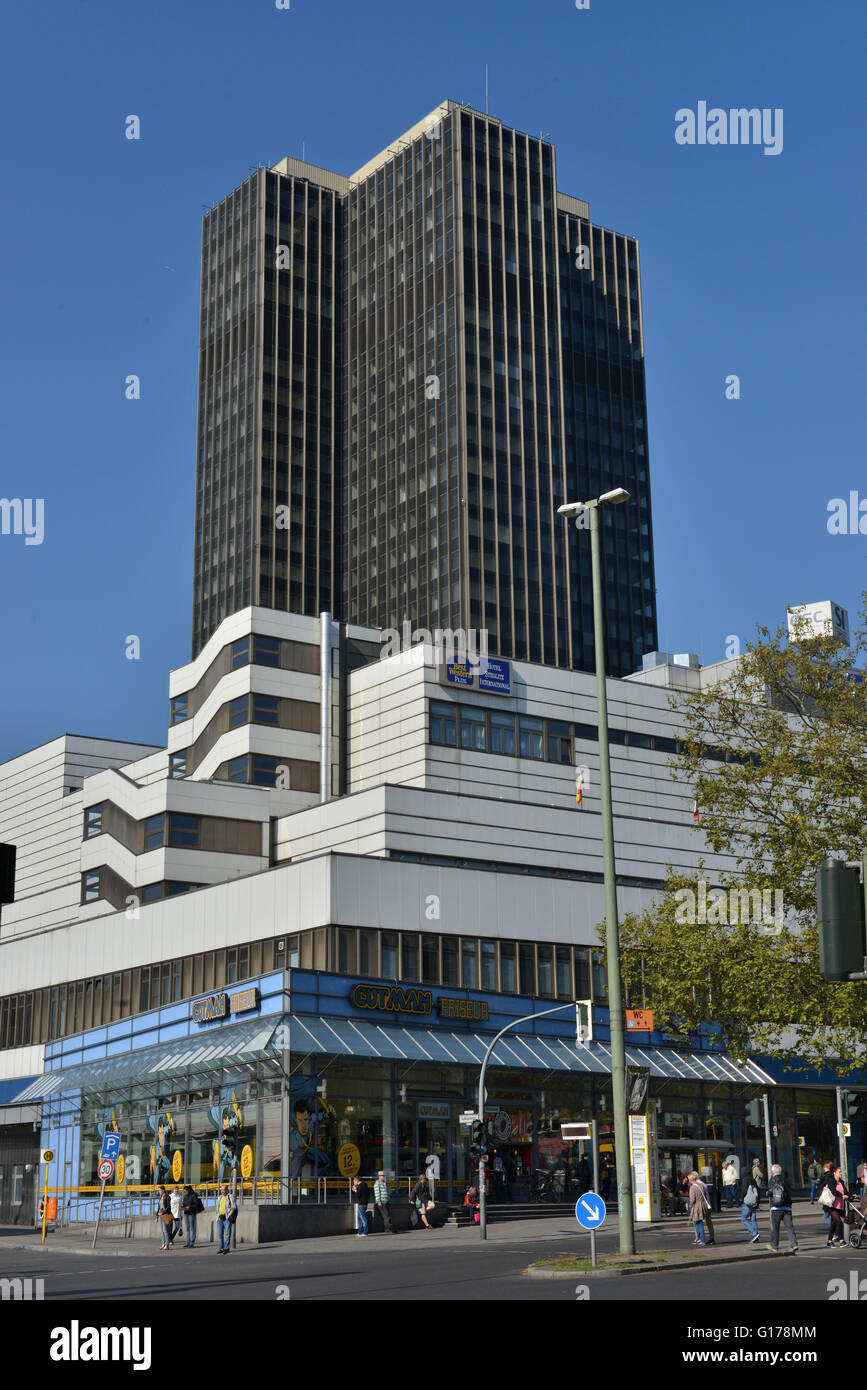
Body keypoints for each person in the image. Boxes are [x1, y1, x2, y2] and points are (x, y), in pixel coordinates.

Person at [765, 1163, 798, 1254]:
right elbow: (789, 1193)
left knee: (775, 1227)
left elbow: (771, 1192)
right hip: (787, 1208)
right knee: (790, 1227)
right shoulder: (786, 1180)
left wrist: (768, 1193)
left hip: (776, 1208)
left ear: (772, 1172)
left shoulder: (772, 1180)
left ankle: (774, 1246)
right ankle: (794, 1244)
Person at [820, 1163, 849, 1247]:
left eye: (841, 1172)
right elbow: (833, 1191)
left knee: (833, 1224)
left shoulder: (841, 1182)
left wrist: (851, 1195)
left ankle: (829, 1241)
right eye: (839, 1172)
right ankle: (841, 1241)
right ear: (834, 1173)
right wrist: (841, 1195)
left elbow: (846, 1192)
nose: (841, 1173)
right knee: (839, 1222)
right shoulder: (831, 1181)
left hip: (840, 1205)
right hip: (831, 1206)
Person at [740, 1166, 761, 1243]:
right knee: (753, 1219)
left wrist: (742, 1198)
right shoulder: (753, 1180)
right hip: (754, 1202)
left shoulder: (745, 1180)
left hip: (747, 1202)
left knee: (744, 1218)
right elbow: (758, 1191)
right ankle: (756, 1237)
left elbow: (744, 1190)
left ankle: (754, 1233)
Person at [687, 1172, 708, 1247]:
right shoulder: (701, 1185)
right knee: (700, 1222)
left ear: (691, 1179)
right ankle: (700, 1239)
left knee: (697, 1223)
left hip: (696, 1207)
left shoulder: (692, 1188)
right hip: (702, 1205)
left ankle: (701, 1239)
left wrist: (690, 1206)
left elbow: (692, 1199)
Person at [694, 1172, 715, 1243]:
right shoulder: (704, 1185)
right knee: (709, 1222)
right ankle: (712, 1238)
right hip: (708, 1205)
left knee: (697, 1221)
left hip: (701, 1205)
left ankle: (698, 1238)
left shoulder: (697, 1185)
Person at [216, 1183, 236, 1254]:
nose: (222, 1191)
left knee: (227, 1234)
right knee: (220, 1234)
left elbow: (234, 1207)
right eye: (221, 1190)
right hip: (219, 1218)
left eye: (223, 1190)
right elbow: (217, 1207)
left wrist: (229, 1216)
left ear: (227, 1190)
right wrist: (217, 1216)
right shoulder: (219, 1197)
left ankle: (226, 1248)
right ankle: (221, 1248)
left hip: (226, 1218)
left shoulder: (230, 1197)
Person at [155, 1185, 173, 1250]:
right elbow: (159, 1207)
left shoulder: (167, 1197)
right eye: (158, 1190)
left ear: (163, 1190)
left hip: (165, 1215)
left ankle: (166, 1245)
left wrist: (162, 1213)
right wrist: (157, 1216)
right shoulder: (161, 1197)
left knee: (165, 1231)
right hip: (160, 1216)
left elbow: (168, 1207)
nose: (158, 1191)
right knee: (162, 1231)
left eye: (159, 1190)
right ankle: (163, 1244)